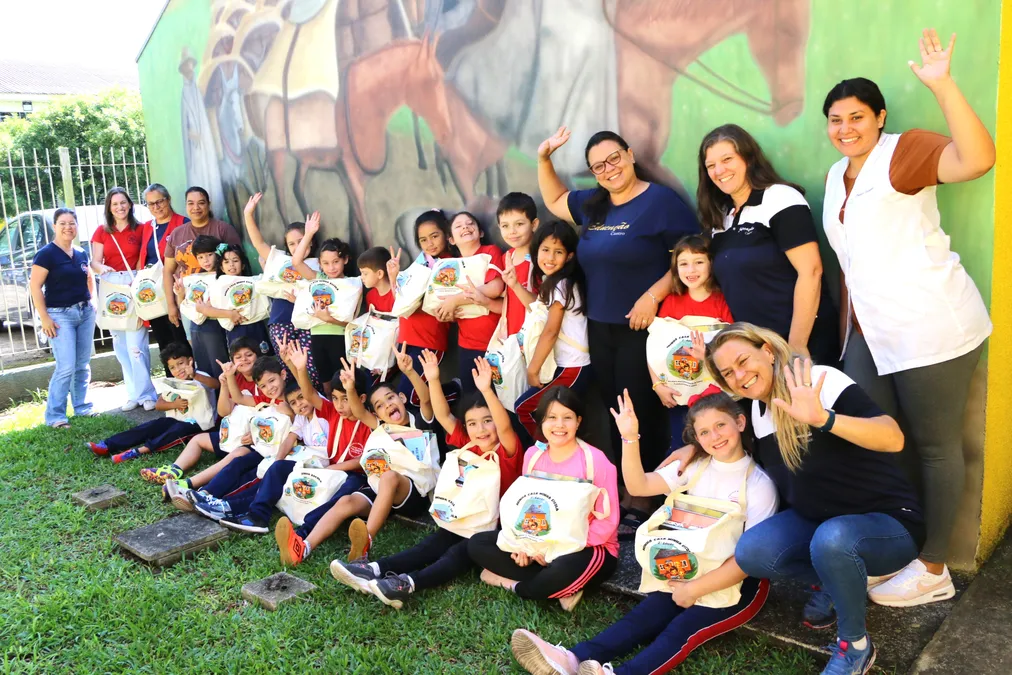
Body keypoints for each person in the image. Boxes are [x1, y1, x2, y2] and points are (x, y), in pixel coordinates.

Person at [821, 29, 994, 607]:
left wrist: (943, 85)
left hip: (932, 327)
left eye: (856, 117)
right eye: (836, 120)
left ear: (880, 117)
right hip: (872, 334)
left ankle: (935, 565)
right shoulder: (835, 176)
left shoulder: (904, 151)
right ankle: (890, 546)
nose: (846, 128)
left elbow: (977, 159)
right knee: (872, 439)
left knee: (937, 447)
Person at [703, 323, 920, 675]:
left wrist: (823, 419)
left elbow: (893, 438)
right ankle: (840, 581)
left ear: (768, 352)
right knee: (752, 551)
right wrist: (690, 450)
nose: (740, 375)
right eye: (728, 372)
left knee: (832, 540)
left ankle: (855, 648)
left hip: (888, 523)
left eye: (744, 360)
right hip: (821, 524)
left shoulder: (818, 381)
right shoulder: (757, 412)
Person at [511, 391, 777, 675]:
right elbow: (638, 487)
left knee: (681, 630)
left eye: (720, 425)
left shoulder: (760, 485)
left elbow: (748, 561)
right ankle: (572, 659)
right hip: (687, 569)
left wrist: (694, 590)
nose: (714, 436)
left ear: (740, 422)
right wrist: (629, 437)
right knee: (642, 618)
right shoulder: (692, 468)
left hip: (737, 584)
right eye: (704, 431)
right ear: (695, 439)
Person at [537, 126, 698, 493]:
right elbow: (556, 199)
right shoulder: (595, 203)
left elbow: (690, 259)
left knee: (641, 408)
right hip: (600, 326)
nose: (609, 169)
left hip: (641, 328)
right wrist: (544, 158)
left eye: (614, 158)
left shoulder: (661, 202)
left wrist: (652, 296)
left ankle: (649, 493)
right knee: (613, 406)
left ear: (630, 155)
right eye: (598, 166)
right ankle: (626, 488)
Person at [329, 353, 523, 609]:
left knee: (459, 552)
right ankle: (375, 567)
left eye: (488, 422)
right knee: (432, 544)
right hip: (463, 518)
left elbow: (505, 427)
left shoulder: (507, 450)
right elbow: (443, 415)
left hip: (492, 528)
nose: (482, 429)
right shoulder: (469, 445)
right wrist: (432, 378)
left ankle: (408, 583)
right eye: (473, 424)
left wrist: (487, 391)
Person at [273, 352, 437, 567]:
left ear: (402, 398)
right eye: (379, 405)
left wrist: (410, 372)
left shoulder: (420, 420)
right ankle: (303, 547)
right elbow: (359, 411)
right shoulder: (380, 426)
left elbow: (425, 398)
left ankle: (364, 544)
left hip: (413, 492)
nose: (387, 406)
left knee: (388, 477)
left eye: (390, 398)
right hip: (381, 490)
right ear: (376, 413)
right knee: (345, 501)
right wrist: (349, 388)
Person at [467, 386, 619, 612]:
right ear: (542, 422)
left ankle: (513, 584)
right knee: (477, 544)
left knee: (562, 568)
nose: (559, 425)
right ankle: (562, 587)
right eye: (552, 418)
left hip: (585, 547)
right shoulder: (533, 456)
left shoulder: (595, 461)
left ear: (578, 421)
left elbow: (608, 522)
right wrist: (523, 546)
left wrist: (554, 550)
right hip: (539, 542)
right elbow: (523, 506)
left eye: (567, 418)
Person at [697, 123, 838, 363]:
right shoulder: (721, 218)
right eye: (711, 165)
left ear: (748, 159)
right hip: (757, 352)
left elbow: (811, 271)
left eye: (727, 159)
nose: (719, 170)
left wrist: (796, 345)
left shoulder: (779, 198)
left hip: (799, 345)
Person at [217, 340, 373, 533]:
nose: (340, 405)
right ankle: (257, 516)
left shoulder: (370, 422)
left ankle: (305, 530)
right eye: (335, 398)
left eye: (346, 399)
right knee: (278, 468)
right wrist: (299, 368)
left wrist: (332, 468)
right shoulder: (333, 412)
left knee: (345, 493)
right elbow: (308, 394)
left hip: (350, 474)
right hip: (323, 466)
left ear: (362, 399)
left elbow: (363, 461)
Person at [650, 235, 734, 450]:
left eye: (699, 262)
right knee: (682, 444)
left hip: (718, 394)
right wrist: (658, 385)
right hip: (681, 392)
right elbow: (655, 348)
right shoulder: (671, 302)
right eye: (684, 264)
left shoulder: (723, 301)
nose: (691, 270)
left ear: (711, 264)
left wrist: (707, 355)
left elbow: (734, 346)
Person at [141, 336, 261, 486]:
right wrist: (224, 384)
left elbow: (273, 411)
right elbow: (224, 411)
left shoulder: (264, 378)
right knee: (197, 440)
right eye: (238, 357)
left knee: (235, 456)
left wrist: (256, 433)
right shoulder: (235, 379)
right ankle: (173, 470)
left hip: (255, 440)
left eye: (249, 355)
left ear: (258, 355)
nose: (244, 360)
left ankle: (188, 484)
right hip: (232, 435)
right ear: (232, 361)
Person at [513, 221, 592, 440]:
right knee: (558, 417)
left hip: (572, 366)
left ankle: (548, 456)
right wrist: (515, 285)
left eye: (558, 252)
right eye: (545, 250)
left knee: (524, 409)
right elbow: (537, 309)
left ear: (569, 257)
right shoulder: (556, 282)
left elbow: (550, 331)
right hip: (565, 366)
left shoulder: (562, 285)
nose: (550, 257)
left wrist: (533, 369)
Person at [87, 342, 219, 462]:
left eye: (181, 363)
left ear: (190, 361)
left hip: (200, 425)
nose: (178, 370)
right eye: (172, 367)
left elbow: (216, 385)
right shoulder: (172, 382)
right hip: (176, 420)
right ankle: (107, 445)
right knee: (151, 426)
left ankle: (138, 451)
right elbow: (159, 404)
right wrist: (174, 405)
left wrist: (194, 375)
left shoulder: (201, 376)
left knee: (177, 430)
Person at [244, 192, 322, 390]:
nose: (297, 246)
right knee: (288, 371)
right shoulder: (281, 262)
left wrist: (310, 232)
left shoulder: (319, 264)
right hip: (281, 321)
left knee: (311, 370)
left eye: (301, 240)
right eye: (291, 243)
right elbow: (258, 243)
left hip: (306, 324)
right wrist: (248, 215)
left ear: (311, 241)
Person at [91, 187, 158, 412]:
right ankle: (133, 394)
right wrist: (103, 268)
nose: (119, 207)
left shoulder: (141, 229)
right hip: (111, 286)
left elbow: (145, 257)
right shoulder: (101, 232)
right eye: (114, 204)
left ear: (129, 204)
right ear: (109, 208)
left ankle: (147, 394)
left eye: (123, 203)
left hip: (133, 284)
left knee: (136, 346)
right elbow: (95, 262)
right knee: (120, 346)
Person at [386, 210, 461, 408]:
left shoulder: (451, 265)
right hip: (407, 338)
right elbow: (401, 303)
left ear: (446, 234)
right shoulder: (421, 263)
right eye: (423, 240)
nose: (430, 243)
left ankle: (453, 391)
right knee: (413, 396)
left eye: (435, 236)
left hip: (429, 340)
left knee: (408, 397)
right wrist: (394, 277)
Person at [30, 208, 97, 428]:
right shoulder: (46, 254)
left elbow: (89, 277)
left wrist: (93, 303)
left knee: (82, 364)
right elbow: (35, 287)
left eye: (72, 223)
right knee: (66, 366)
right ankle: (55, 416)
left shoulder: (80, 252)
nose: (68, 227)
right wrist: (44, 318)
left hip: (84, 312)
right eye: (62, 223)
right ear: (54, 226)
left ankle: (82, 407)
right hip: (60, 316)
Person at [432, 212, 505, 392]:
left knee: (499, 402)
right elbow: (439, 301)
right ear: (451, 240)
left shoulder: (490, 252)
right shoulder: (448, 266)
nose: (465, 227)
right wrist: (444, 312)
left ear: (480, 232)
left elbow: (495, 287)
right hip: (467, 346)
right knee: (473, 402)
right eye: (458, 226)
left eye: (470, 223)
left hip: (495, 343)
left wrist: (456, 300)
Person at [162, 186, 240, 338]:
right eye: (190, 203)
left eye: (201, 203)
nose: (196, 208)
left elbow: (236, 265)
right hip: (188, 303)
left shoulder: (222, 229)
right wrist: (171, 304)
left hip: (218, 304)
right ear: (185, 205)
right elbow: (168, 270)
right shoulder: (177, 234)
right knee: (196, 347)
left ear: (208, 204)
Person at [291, 212, 351, 393]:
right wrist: (308, 234)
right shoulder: (318, 279)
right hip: (316, 338)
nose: (331, 267)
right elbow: (296, 261)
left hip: (340, 338)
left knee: (343, 384)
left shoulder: (351, 285)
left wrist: (329, 319)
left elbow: (352, 321)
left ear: (345, 260)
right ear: (320, 264)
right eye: (326, 263)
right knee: (325, 384)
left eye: (336, 262)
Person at [139, 183, 189, 350]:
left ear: (168, 200)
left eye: (160, 201)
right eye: (151, 204)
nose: (156, 207)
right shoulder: (147, 227)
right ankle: (171, 376)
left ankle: (189, 376)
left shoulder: (183, 223)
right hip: (154, 292)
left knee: (181, 340)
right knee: (164, 343)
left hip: (175, 290)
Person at [198, 241, 272, 354]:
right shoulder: (219, 287)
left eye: (235, 261)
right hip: (236, 329)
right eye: (226, 262)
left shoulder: (253, 281)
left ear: (242, 265)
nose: (231, 265)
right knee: (241, 361)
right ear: (222, 268)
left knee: (262, 358)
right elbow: (206, 309)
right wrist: (230, 314)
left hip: (256, 326)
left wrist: (265, 268)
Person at [175, 235, 230, 379]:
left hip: (215, 325)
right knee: (203, 366)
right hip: (196, 326)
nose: (205, 260)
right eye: (200, 257)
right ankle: (211, 399)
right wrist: (181, 294)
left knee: (220, 366)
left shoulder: (225, 277)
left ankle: (224, 398)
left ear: (218, 254)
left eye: (209, 255)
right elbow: (185, 305)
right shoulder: (196, 280)